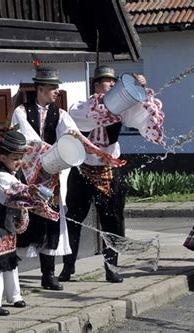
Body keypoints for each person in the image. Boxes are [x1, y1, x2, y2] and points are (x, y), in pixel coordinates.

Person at [60, 66, 165, 283]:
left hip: (109, 169)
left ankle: (111, 267)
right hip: (82, 168)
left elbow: (143, 117)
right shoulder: (82, 106)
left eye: (113, 82)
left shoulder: (122, 110)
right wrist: (108, 106)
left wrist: (141, 89)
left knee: (113, 221)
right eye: (107, 82)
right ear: (97, 85)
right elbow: (88, 118)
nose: (111, 85)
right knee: (74, 219)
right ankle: (68, 266)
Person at [0, 130, 58, 315]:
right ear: (3, 157)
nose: (19, 162)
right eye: (14, 158)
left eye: (20, 158)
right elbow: (18, 191)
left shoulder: (14, 173)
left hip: (5, 220)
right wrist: (36, 194)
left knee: (8, 256)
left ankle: (14, 295)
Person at [11, 66, 78, 290]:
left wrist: (73, 143)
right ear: (40, 88)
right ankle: (9, 274)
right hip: (28, 176)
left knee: (51, 221)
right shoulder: (21, 111)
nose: (56, 91)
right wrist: (49, 150)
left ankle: (48, 274)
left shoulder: (60, 114)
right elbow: (27, 138)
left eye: (56, 88)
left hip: (51, 176)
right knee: (23, 220)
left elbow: (70, 134)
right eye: (52, 87)